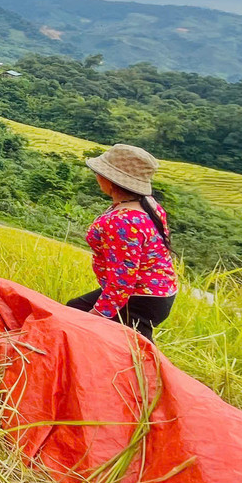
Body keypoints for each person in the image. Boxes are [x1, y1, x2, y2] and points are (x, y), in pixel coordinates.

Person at [66, 143, 178, 342]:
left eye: (99, 172)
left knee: (121, 346)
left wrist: (95, 316)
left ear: (110, 180)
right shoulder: (147, 204)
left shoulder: (123, 221)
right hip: (156, 292)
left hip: (140, 298)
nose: (96, 176)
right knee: (74, 311)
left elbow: (122, 280)